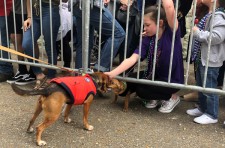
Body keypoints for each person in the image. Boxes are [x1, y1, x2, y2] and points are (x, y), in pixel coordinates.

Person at [105, 0, 184, 113]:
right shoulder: (148, 38)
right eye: (143, 25)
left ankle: (171, 97)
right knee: (125, 85)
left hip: (171, 80)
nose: (144, 28)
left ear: (160, 23)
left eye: (147, 25)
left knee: (142, 91)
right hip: (153, 75)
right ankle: (156, 97)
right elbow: (133, 58)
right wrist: (113, 73)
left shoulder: (171, 33)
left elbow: (169, 6)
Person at [186, 0, 225, 124]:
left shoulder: (219, 16)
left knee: (209, 87)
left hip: (211, 59)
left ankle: (212, 114)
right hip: (202, 57)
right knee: (201, 84)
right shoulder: (210, 14)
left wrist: (198, 33)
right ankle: (203, 108)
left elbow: (218, 37)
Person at [70, 0, 125, 72]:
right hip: (90, 5)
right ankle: (99, 69)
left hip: (77, 5)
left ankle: (81, 78)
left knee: (84, 44)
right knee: (118, 34)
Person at [22, 0, 60, 89]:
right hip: (34, 11)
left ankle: (51, 77)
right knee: (26, 43)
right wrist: (29, 17)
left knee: (50, 46)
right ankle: (39, 74)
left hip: (50, 8)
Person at [6, 0, 37, 85]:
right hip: (15, 9)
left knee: (30, 40)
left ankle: (33, 71)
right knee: (14, 37)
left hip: (29, 11)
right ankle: (22, 69)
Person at [0, 0, 14, 82]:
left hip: (3, 11)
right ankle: (5, 67)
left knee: (3, 42)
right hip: (3, 10)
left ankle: (6, 70)